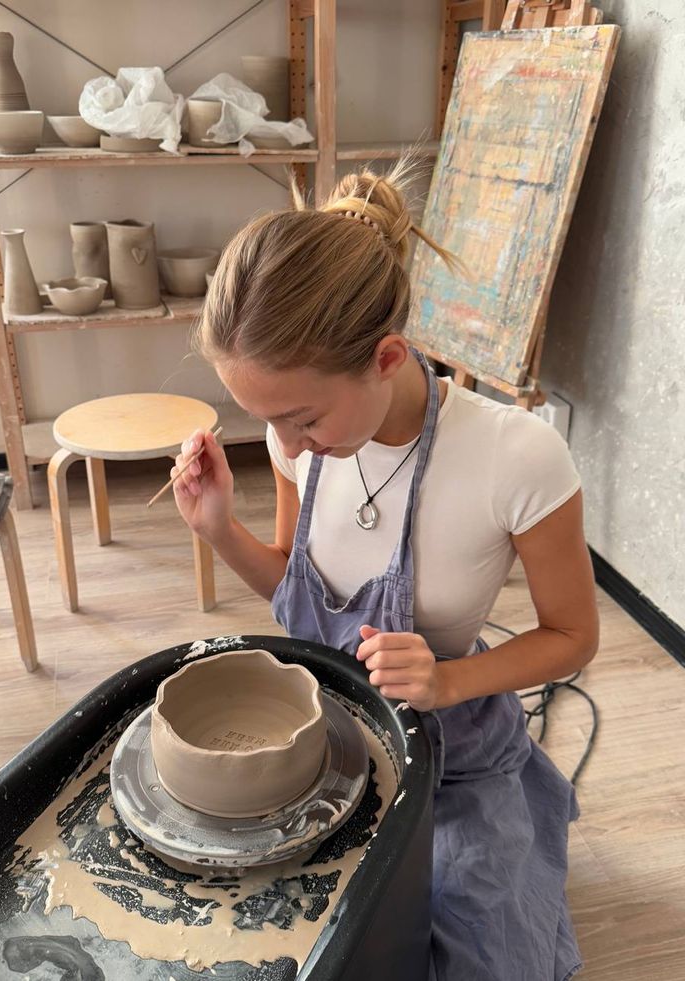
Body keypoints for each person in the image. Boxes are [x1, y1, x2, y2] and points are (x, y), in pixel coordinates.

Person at [171, 160, 599, 981]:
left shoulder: (516, 457)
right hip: (332, 738)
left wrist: (446, 678)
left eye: (300, 418)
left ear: (387, 355)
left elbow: (572, 636)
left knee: (474, 955)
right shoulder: (300, 443)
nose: (286, 446)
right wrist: (219, 528)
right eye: (267, 422)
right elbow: (296, 590)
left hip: (457, 756)